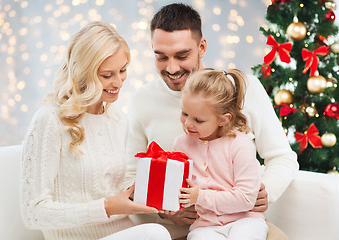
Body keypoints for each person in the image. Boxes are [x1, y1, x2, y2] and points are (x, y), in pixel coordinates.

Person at [125, 3, 298, 239]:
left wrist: (264, 191)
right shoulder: (141, 101)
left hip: (242, 220)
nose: (172, 67)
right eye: (161, 57)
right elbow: (131, 177)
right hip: (182, 231)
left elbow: (282, 157)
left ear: (202, 47)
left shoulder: (244, 88)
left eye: (182, 55)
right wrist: (164, 213)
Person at [19, 21, 171, 240]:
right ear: (83, 73)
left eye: (123, 70)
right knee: (155, 234)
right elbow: (33, 213)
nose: (118, 82)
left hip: (123, 231)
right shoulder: (50, 120)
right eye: (107, 75)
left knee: (159, 231)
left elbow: (112, 190)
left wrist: (148, 194)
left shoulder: (119, 121)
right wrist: (107, 208)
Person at [173, 68, 268, 239]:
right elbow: (176, 190)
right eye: (184, 114)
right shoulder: (181, 144)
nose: (188, 123)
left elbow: (246, 198)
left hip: (245, 220)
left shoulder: (240, 144)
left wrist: (200, 197)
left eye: (198, 120)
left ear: (224, 119)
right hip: (204, 227)